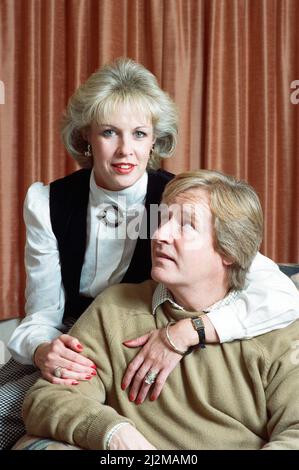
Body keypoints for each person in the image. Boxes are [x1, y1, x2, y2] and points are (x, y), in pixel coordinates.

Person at [1, 58, 299, 449]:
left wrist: (184, 333)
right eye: (109, 132)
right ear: (87, 136)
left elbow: (272, 287)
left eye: (140, 134)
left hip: (150, 318)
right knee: (13, 411)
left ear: (155, 140)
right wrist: (45, 350)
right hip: (78, 334)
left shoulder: (172, 201)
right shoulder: (50, 202)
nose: (126, 149)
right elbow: (43, 311)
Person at [21, 170, 299, 450]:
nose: (160, 234)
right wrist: (115, 435)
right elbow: (48, 399)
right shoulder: (115, 308)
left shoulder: (277, 330)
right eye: (163, 219)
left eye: (186, 225)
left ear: (229, 250)